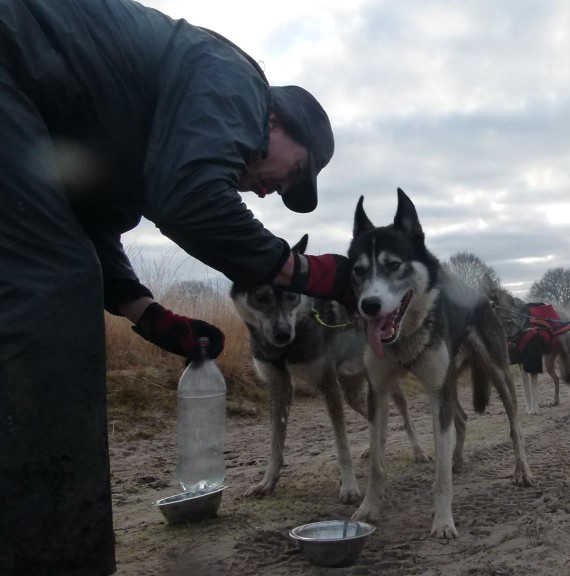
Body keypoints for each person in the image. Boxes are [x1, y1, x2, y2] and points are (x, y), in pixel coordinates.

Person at [0, 1, 354, 574]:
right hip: (13, 52)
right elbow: (191, 200)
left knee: (50, 278)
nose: (272, 192)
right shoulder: (238, 80)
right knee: (42, 298)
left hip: (24, 103)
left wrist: (149, 315)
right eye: (293, 172)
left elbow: (79, 224)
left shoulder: (139, 140)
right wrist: (308, 273)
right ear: (273, 122)